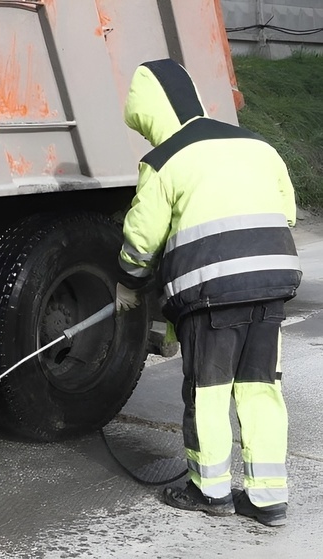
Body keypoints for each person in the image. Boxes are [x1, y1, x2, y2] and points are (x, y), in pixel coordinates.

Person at [115, 58, 302, 527]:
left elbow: (142, 238)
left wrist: (130, 284)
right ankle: (267, 500)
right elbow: (288, 210)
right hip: (270, 285)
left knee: (209, 392)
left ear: (154, 114)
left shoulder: (164, 160)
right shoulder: (255, 143)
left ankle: (210, 490)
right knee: (261, 391)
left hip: (212, 295)